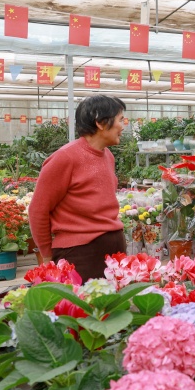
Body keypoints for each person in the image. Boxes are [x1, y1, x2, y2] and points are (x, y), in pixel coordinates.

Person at [29, 95, 127, 281]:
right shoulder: (65, 158)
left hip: (113, 250)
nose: (123, 126)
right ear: (100, 122)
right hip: (80, 255)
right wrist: (47, 256)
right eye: (120, 120)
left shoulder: (108, 156)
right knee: (83, 308)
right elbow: (38, 210)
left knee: (112, 308)